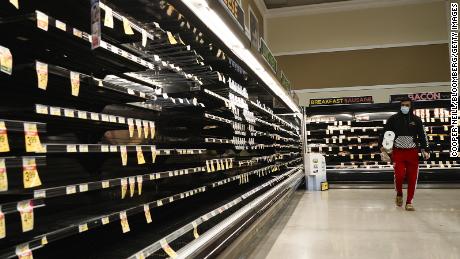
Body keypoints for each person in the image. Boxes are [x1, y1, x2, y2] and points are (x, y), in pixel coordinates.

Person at [379, 97, 430, 211]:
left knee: (412, 178)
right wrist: (382, 147)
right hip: (398, 152)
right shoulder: (393, 119)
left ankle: (409, 202)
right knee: (399, 176)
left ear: (411, 106)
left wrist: (426, 149)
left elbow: (423, 136)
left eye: (407, 105)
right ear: (400, 105)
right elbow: (385, 133)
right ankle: (399, 194)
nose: (405, 107)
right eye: (403, 105)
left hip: (412, 153)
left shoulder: (416, 120)